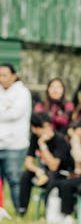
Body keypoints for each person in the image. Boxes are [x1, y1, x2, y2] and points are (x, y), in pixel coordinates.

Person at [19, 113, 75, 215]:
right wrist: (38, 171)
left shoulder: (59, 139)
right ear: (34, 129)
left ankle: (48, 213)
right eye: (44, 127)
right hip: (45, 171)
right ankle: (22, 210)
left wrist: (42, 145)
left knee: (51, 176)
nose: (48, 130)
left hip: (62, 173)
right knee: (26, 175)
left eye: (49, 126)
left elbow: (53, 166)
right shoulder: (35, 137)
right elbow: (28, 162)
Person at [0, 64, 32, 213]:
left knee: (14, 179)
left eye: (4, 75)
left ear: (14, 76)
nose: (1, 78)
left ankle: (20, 209)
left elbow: (15, 114)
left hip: (15, 145)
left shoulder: (22, 92)